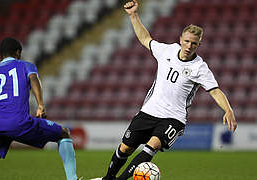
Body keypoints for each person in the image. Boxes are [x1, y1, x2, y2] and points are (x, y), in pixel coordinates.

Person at [91, 1, 237, 180]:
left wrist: (228, 109)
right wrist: (133, 16)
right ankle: (107, 178)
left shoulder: (200, 68)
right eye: (187, 41)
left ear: (199, 45)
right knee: (125, 148)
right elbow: (146, 39)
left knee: (151, 146)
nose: (189, 46)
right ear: (180, 39)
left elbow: (215, 91)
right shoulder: (167, 50)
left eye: (194, 43)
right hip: (149, 111)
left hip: (173, 118)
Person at [0, 37, 79, 180]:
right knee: (64, 133)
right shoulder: (25, 66)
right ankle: (73, 179)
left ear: (2, 54)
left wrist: (0, 123)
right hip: (18, 122)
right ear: (18, 52)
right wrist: (41, 105)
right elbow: (33, 79)